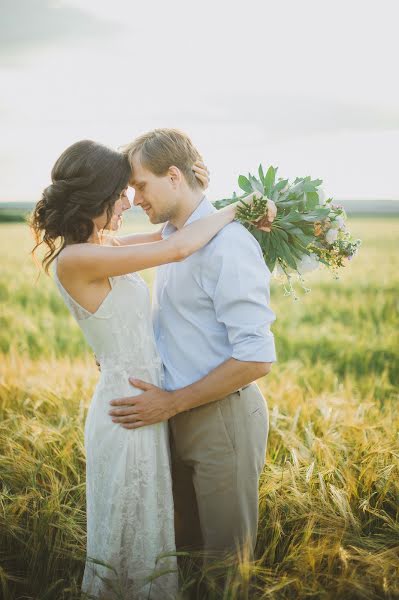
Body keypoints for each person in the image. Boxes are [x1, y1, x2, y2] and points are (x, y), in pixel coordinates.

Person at [30, 138, 259, 599]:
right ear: (93, 197)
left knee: (153, 533)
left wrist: (190, 197)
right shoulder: (78, 257)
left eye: (133, 190)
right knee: (131, 534)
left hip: (145, 402)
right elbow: (175, 250)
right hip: (130, 407)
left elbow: (168, 236)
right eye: (120, 193)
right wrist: (243, 207)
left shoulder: (101, 245)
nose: (127, 203)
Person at [108, 129, 277, 572]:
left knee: (226, 566)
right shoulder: (172, 237)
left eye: (140, 185)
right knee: (184, 558)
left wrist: (172, 402)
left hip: (221, 418)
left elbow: (257, 357)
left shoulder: (229, 244)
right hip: (171, 418)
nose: (136, 199)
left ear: (175, 176)